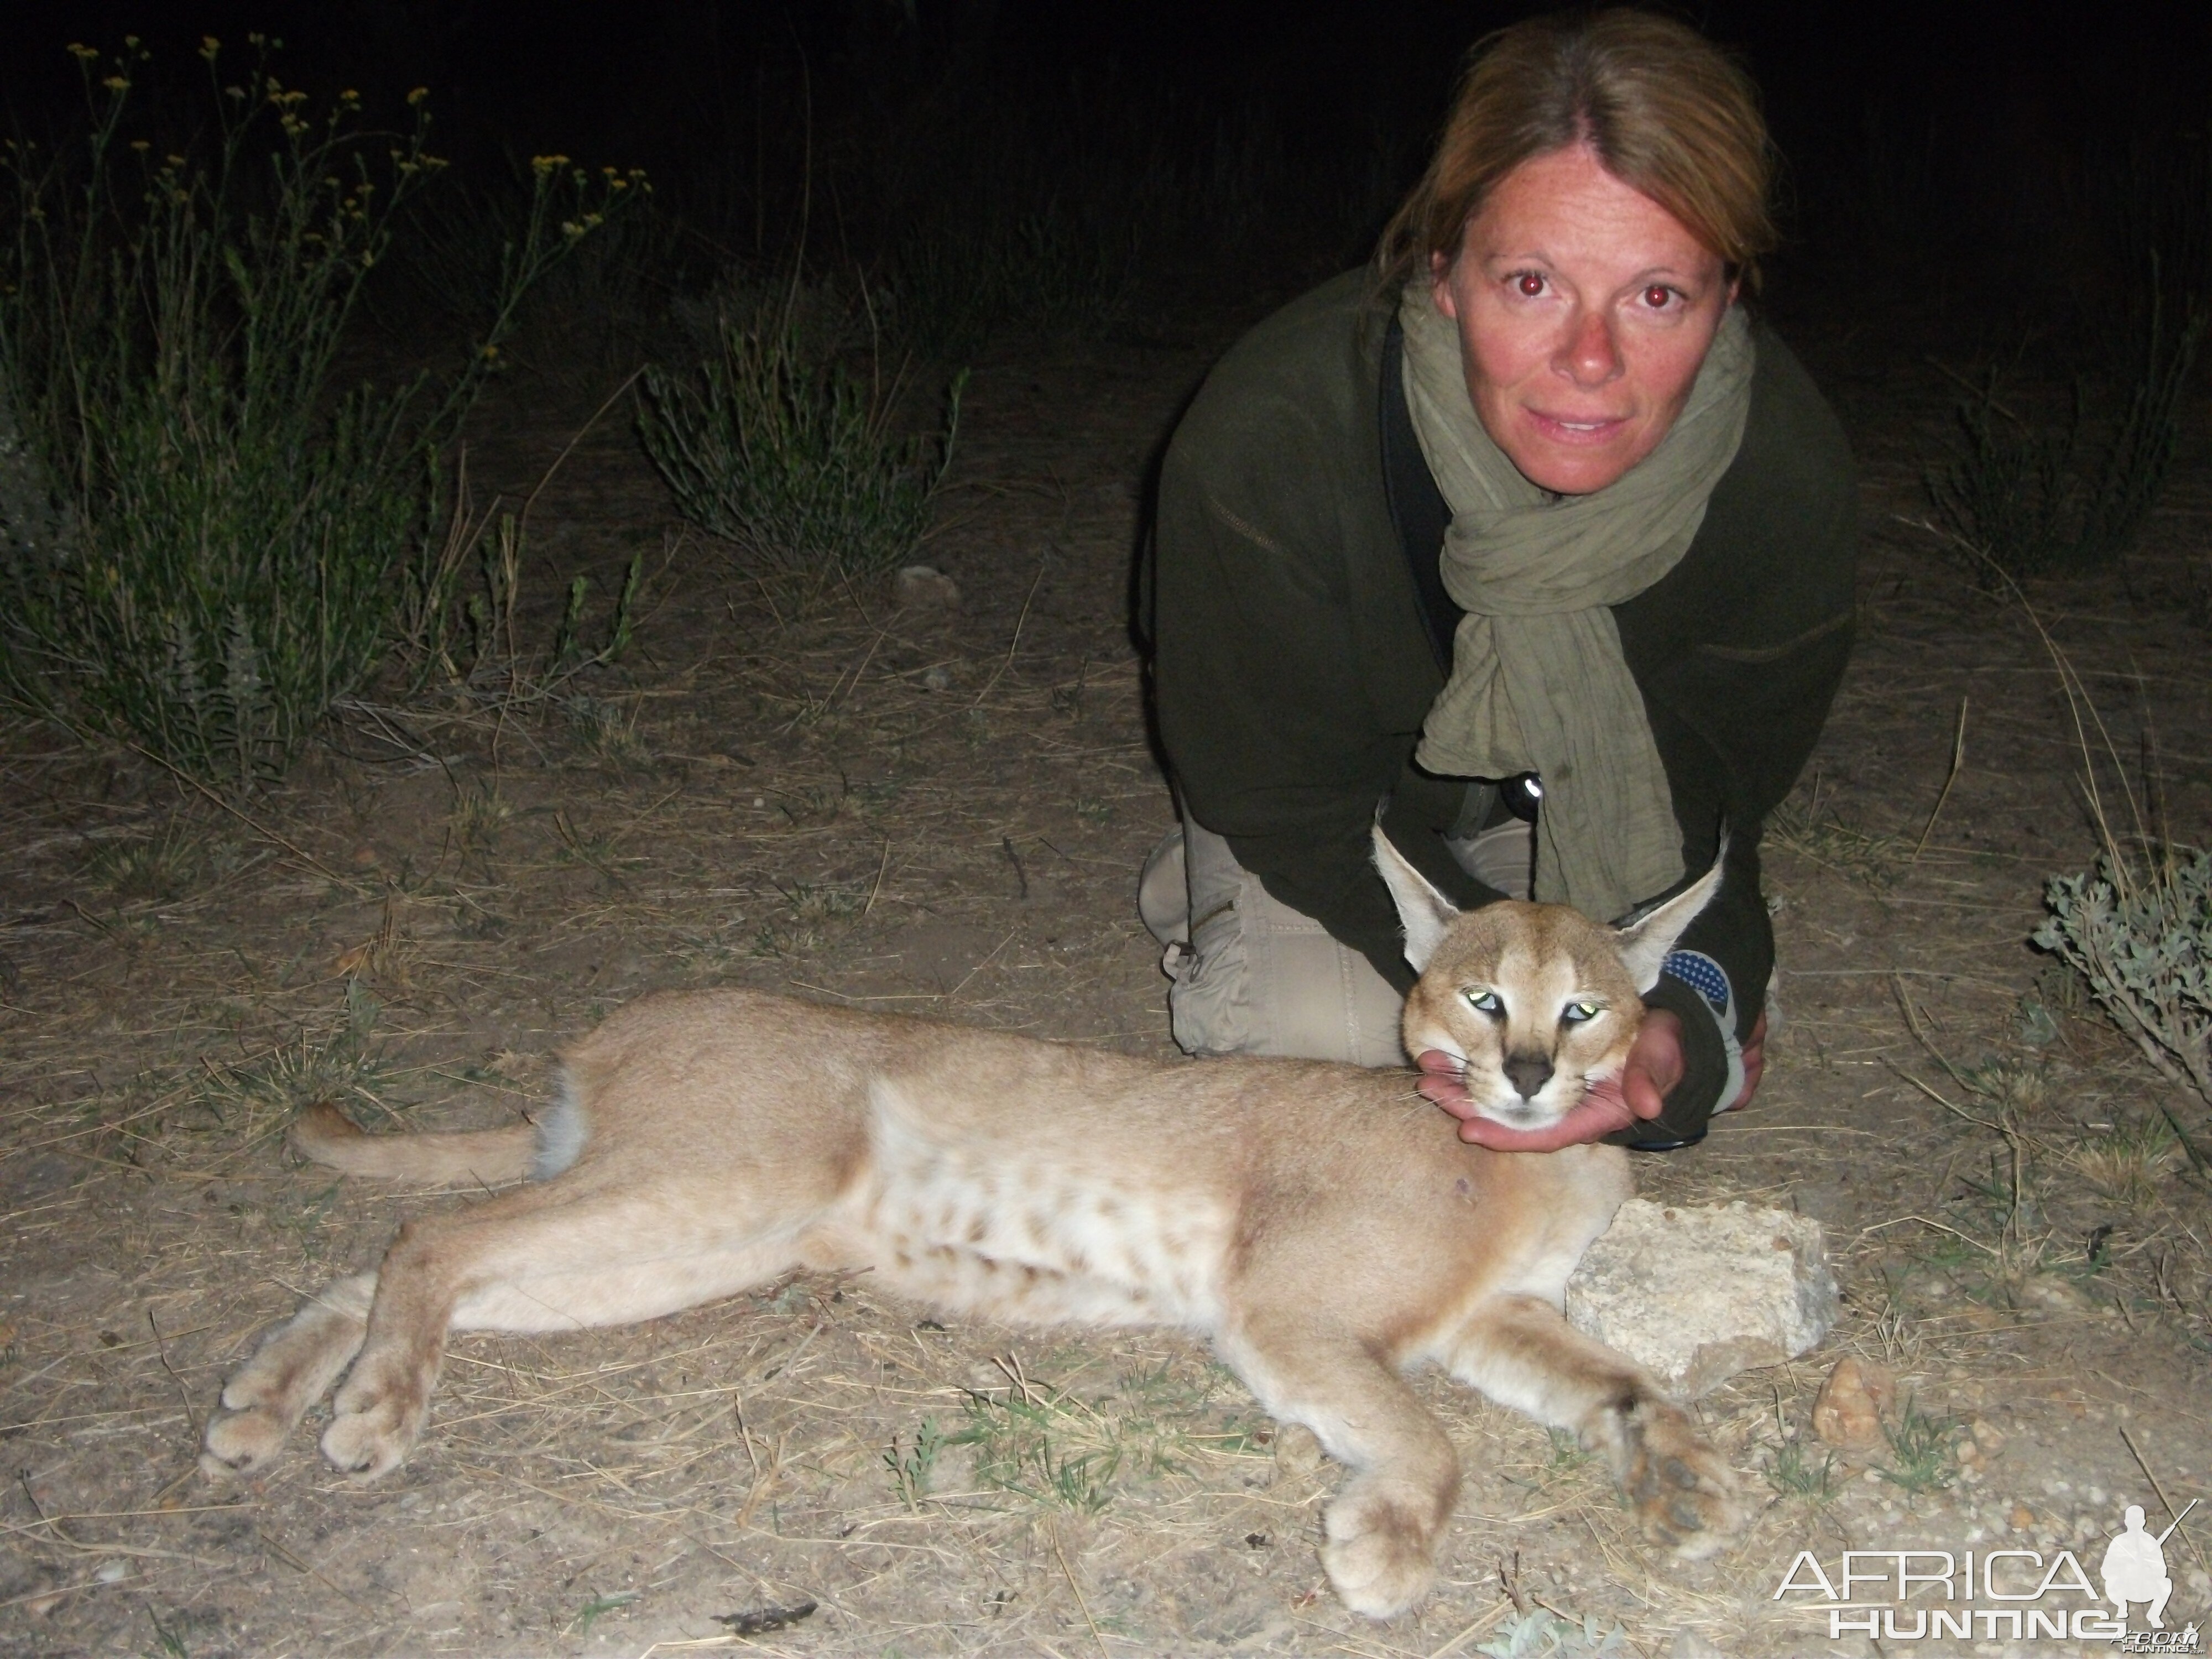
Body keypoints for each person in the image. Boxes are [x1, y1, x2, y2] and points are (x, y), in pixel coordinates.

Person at [1139, 8, 1856, 1154]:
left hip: (1589, 832)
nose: (1588, 358)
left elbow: (1711, 811)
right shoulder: (1269, 441)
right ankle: (1215, 891)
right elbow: (1285, 792)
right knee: (1313, 1028)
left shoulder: (1781, 484)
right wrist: (1475, 971)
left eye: (1655, 296)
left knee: (1606, 1063)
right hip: (1331, 812)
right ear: (1442, 273)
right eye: (1530, 282)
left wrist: (1685, 1020)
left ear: (1728, 302)